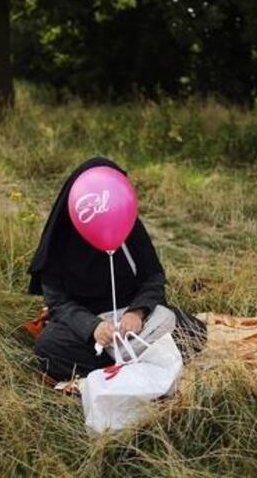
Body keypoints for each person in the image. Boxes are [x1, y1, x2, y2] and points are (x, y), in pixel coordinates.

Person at [29, 157, 207, 381]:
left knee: (193, 329)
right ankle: (141, 363)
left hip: (133, 324)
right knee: (49, 347)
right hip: (89, 329)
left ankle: (121, 365)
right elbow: (58, 303)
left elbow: (153, 276)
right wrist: (93, 327)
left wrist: (137, 312)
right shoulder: (61, 237)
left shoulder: (125, 221)